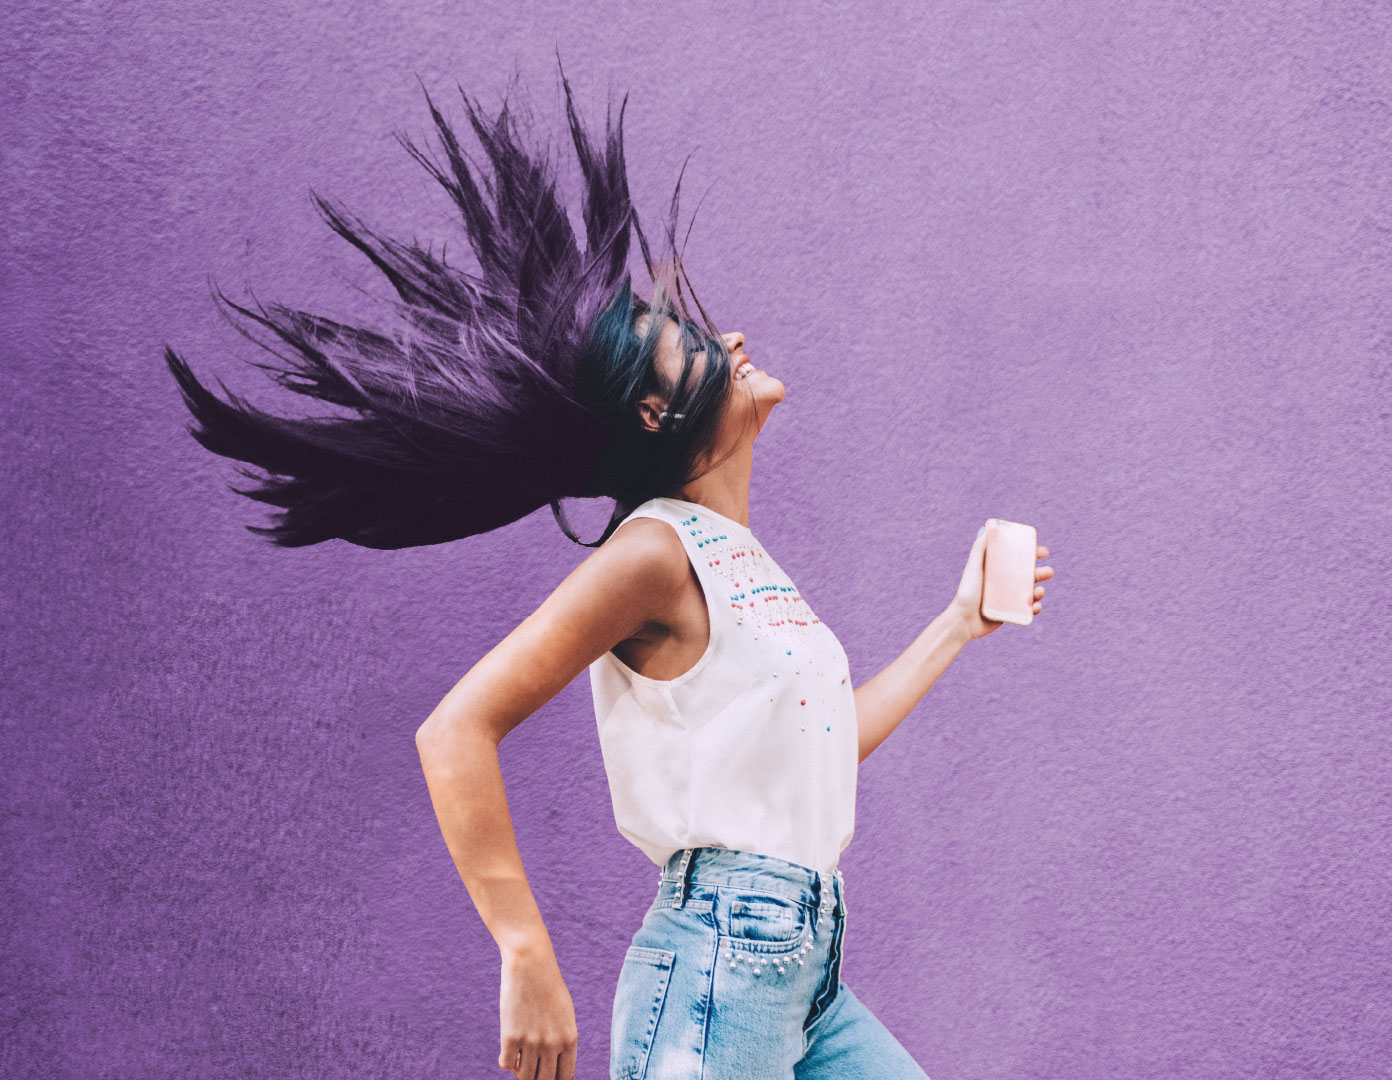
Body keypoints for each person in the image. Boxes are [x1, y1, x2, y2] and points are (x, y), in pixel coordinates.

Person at [166, 78, 1051, 1080]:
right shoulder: (649, 552)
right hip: (719, 965)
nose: (731, 339)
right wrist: (523, 951)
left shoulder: (739, 567)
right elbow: (454, 728)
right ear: (649, 415)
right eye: (690, 338)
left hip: (802, 969)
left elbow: (820, 752)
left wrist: (953, 625)